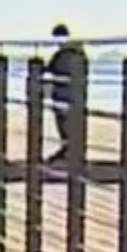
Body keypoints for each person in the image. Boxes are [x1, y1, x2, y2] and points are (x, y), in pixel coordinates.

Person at [44, 22, 88, 167]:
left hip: (63, 94)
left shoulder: (62, 54)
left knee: (65, 124)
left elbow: (48, 70)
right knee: (72, 123)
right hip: (76, 93)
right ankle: (71, 150)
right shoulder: (78, 53)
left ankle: (69, 149)